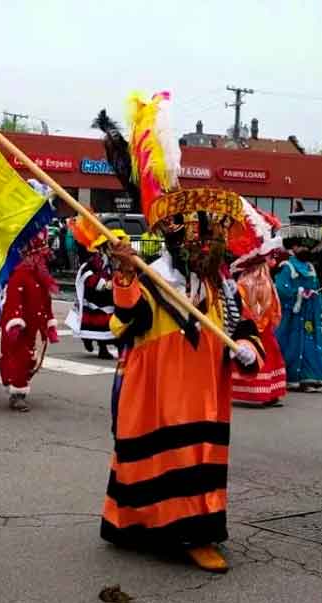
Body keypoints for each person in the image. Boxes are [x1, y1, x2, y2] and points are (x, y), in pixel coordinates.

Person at [97, 92, 262, 573]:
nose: (210, 245)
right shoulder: (153, 278)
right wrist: (124, 272)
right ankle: (163, 531)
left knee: (198, 462)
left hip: (204, 398)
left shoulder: (221, 286)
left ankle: (193, 530)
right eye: (201, 238)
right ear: (177, 240)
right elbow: (124, 318)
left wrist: (248, 348)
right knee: (152, 462)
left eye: (213, 238)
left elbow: (245, 328)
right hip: (156, 399)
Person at [228, 199, 288, 407]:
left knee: (263, 355)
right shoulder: (261, 280)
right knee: (268, 356)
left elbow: (248, 306)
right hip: (261, 328)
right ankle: (267, 393)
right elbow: (269, 305)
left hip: (256, 326)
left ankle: (262, 393)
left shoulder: (250, 280)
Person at [0, 228, 59, 412]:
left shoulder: (41, 276)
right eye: (41, 255)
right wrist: (15, 322)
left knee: (32, 359)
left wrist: (50, 323)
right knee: (20, 358)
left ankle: (20, 387)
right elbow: (13, 300)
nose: (44, 258)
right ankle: (17, 394)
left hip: (34, 326)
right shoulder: (19, 275)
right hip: (21, 328)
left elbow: (46, 301)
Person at [275, 224, 322, 392]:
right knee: (291, 343)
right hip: (292, 314)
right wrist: (299, 293)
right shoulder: (287, 266)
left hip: (309, 314)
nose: (305, 249)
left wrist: (317, 300)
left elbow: (316, 287)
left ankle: (310, 376)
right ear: (294, 247)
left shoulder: (310, 268)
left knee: (311, 343)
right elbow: (281, 288)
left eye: (308, 246)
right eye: (302, 246)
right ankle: (291, 377)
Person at [65, 220, 125, 359]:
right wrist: (104, 284)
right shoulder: (96, 261)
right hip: (98, 298)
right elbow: (87, 276)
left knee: (115, 324)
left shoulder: (118, 260)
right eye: (112, 245)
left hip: (111, 298)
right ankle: (99, 346)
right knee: (100, 324)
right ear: (105, 247)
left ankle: (119, 347)